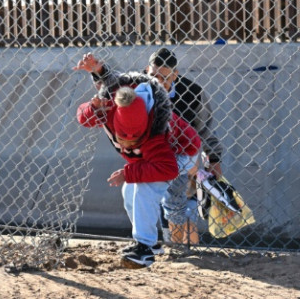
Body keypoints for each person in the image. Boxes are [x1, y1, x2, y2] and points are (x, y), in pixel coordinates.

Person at [75, 48, 221, 246]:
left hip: (182, 153)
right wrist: (97, 71)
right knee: (132, 191)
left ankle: (182, 247)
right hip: (150, 154)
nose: (158, 81)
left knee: (175, 200)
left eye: (164, 76)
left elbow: (205, 129)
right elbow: (112, 86)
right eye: (153, 75)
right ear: (146, 71)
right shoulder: (141, 87)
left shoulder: (193, 93)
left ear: (175, 74)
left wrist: (214, 159)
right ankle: (150, 242)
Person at [77, 84, 178, 268]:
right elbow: (84, 118)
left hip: (184, 156)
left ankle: (144, 249)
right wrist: (93, 108)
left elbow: (169, 169)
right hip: (154, 160)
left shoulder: (155, 131)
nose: (126, 146)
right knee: (129, 188)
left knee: (144, 187)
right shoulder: (111, 111)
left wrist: (128, 172)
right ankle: (150, 244)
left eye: (134, 141)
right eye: (123, 139)